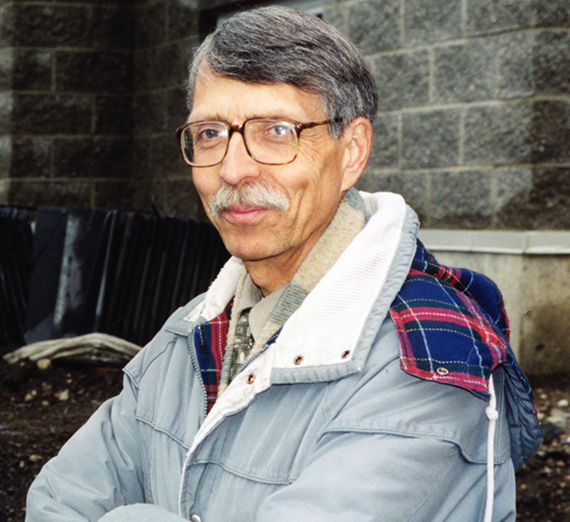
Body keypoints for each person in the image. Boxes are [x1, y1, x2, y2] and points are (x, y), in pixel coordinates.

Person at [26, 6, 542, 522]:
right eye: (209, 133)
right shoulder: (190, 334)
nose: (231, 168)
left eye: (276, 131)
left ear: (352, 151)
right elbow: (56, 501)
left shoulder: (427, 363)